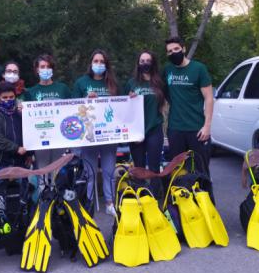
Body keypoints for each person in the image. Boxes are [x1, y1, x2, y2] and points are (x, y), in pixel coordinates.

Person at [72, 49, 120, 216]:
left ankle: (109, 203)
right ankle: (89, 203)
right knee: (90, 173)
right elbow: (73, 108)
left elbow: (120, 107)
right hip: (89, 135)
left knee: (109, 172)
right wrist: (86, 101)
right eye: (96, 61)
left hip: (108, 135)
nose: (98, 64)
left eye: (102, 62)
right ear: (91, 63)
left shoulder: (112, 83)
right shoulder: (81, 83)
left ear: (106, 65)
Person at [163, 36, 214, 176]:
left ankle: (205, 197)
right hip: (175, 129)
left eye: (176, 49)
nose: (173, 53)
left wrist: (207, 126)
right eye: (169, 51)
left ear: (183, 48)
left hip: (197, 129)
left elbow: (209, 98)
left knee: (201, 171)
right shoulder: (167, 70)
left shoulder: (199, 69)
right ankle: (180, 197)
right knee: (178, 171)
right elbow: (163, 92)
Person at [25, 54, 71, 190]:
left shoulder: (63, 88)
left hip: (59, 137)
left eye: (48, 67)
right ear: (37, 70)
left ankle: (57, 201)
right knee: (42, 172)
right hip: (40, 139)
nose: (45, 69)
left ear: (52, 70)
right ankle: (43, 202)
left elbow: (72, 110)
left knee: (57, 171)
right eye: (42, 67)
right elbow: (27, 118)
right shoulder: (31, 92)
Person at [125, 50, 166, 198]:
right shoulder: (131, 83)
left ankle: (155, 198)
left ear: (153, 62)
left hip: (154, 128)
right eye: (142, 61)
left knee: (154, 167)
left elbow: (166, 101)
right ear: (138, 63)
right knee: (139, 166)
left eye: (148, 60)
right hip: (136, 131)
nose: (145, 64)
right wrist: (129, 99)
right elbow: (123, 107)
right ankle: (140, 197)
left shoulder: (159, 82)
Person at [0, 82, 31, 172]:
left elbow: (29, 133)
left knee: (22, 185)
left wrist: (29, 154)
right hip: (1, 161)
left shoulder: (20, 113)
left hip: (20, 160)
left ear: (15, 97)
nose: (8, 100)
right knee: (1, 185)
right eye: (5, 98)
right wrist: (16, 148)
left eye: (11, 97)